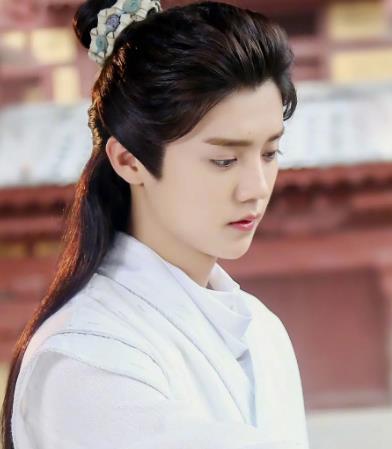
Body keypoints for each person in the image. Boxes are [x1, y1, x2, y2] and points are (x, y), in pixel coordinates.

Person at [0, 1, 308, 448]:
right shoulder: (87, 357)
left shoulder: (264, 331)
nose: (256, 188)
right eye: (224, 160)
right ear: (129, 161)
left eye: (269, 153)